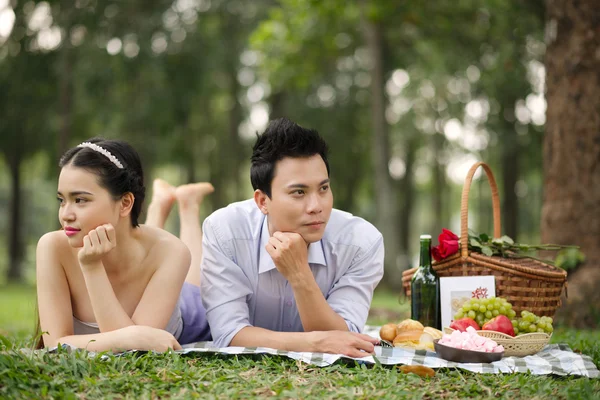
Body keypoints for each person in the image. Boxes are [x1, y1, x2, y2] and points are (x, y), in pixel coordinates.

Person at [200, 118, 384, 358]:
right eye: (299, 192)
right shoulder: (225, 231)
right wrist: (314, 343)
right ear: (262, 201)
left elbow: (344, 340)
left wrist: (299, 274)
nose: (316, 206)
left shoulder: (361, 243)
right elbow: (228, 335)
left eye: (324, 188)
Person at [36, 138, 213, 352]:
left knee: (193, 284)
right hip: (137, 246)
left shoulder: (172, 251)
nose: (65, 215)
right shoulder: (52, 247)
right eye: (62, 200)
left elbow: (134, 353)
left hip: (185, 312)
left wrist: (92, 268)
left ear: (126, 202)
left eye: (80, 200)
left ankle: (188, 205)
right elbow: (54, 343)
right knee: (139, 238)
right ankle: (160, 205)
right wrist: (126, 338)